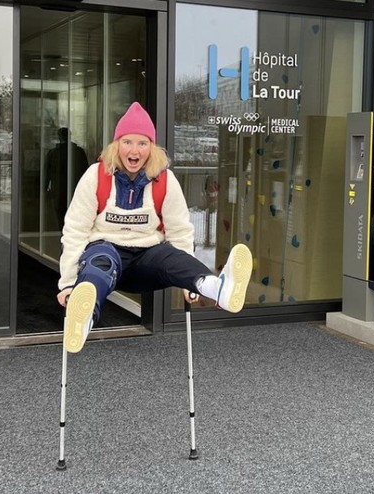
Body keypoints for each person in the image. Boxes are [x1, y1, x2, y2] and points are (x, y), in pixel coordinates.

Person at [57, 102, 253, 353]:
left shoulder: (165, 180)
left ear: (152, 148)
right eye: (127, 142)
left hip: (146, 260)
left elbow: (180, 232)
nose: (134, 150)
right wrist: (68, 283)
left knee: (170, 256)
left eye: (142, 143)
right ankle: (83, 316)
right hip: (106, 254)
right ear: (117, 145)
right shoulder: (96, 175)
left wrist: (187, 284)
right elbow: (75, 231)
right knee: (100, 260)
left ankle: (215, 288)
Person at [45, 127, 90, 229]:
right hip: (76, 186)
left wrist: (44, 188)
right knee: (75, 210)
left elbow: (47, 173)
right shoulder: (79, 151)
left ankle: (64, 231)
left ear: (59, 137)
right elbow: (86, 171)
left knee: (60, 211)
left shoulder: (53, 153)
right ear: (70, 136)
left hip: (59, 187)